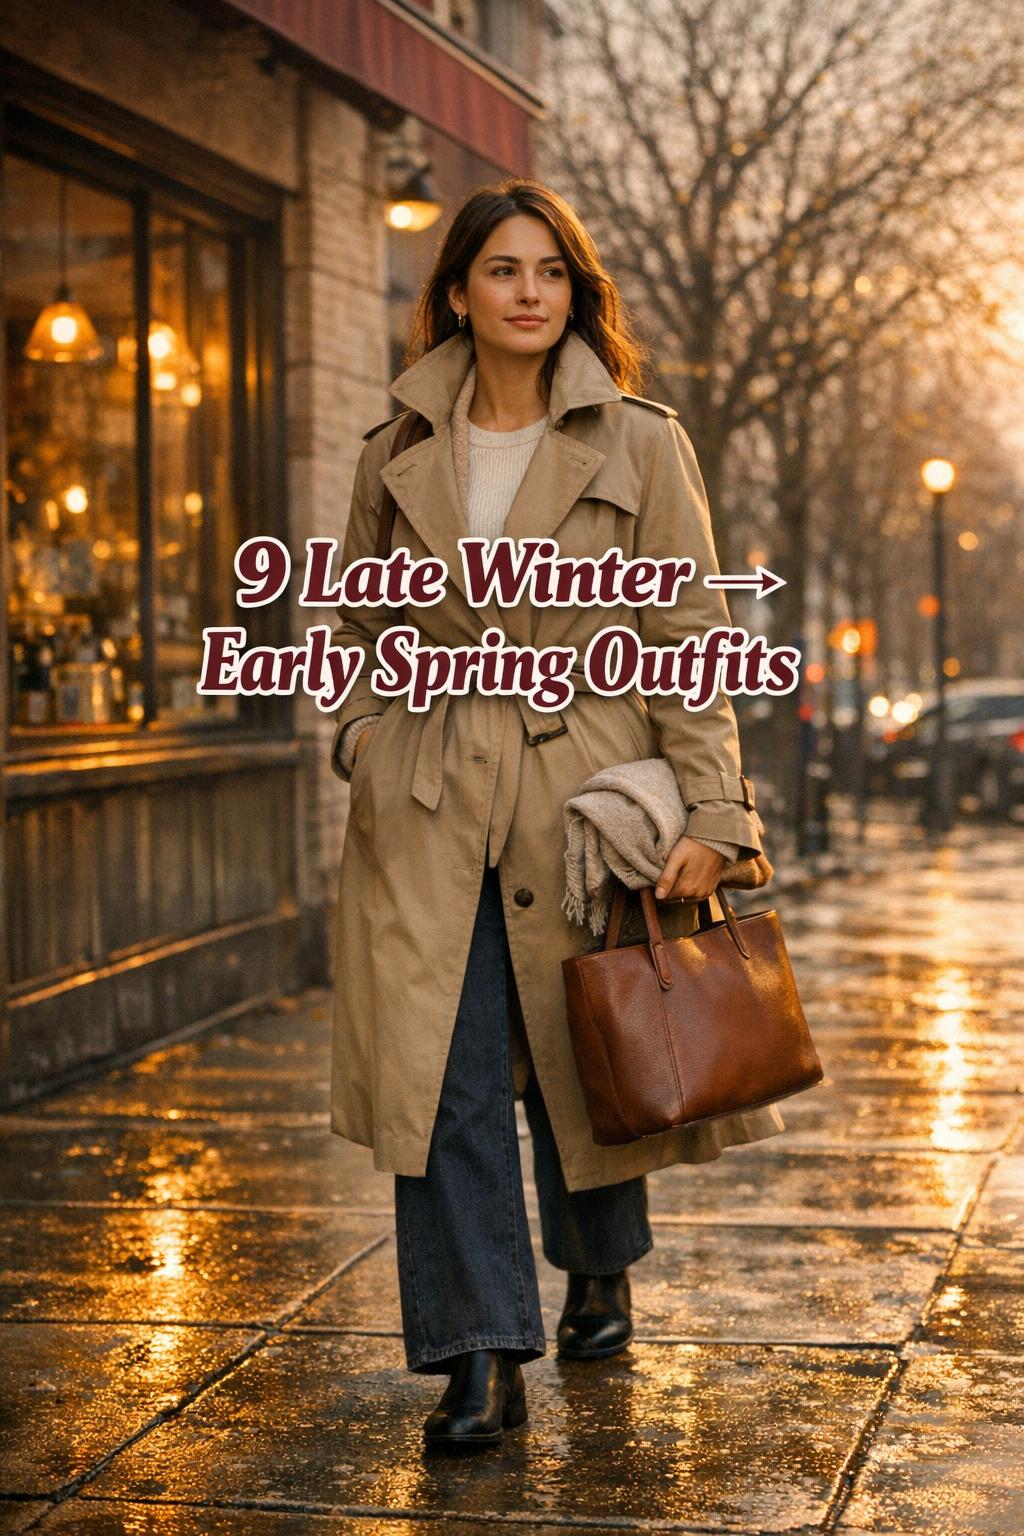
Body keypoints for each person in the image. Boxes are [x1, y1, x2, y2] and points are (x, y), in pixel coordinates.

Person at [328, 178, 784, 1449]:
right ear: (458, 293)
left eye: (551, 272)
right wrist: (362, 737)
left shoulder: (641, 441)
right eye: (503, 270)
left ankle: (597, 1266)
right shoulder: (392, 450)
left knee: (588, 1060)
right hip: (428, 804)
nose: (529, 292)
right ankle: (479, 1353)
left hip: (581, 794)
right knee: (449, 1080)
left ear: (575, 294)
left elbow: (687, 632)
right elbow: (358, 626)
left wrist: (713, 810)